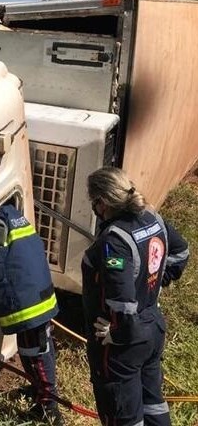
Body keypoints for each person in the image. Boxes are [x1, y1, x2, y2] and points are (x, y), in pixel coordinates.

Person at [83, 167, 189, 426]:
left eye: (93, 203)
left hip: (123, 346)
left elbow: (122, 300)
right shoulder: (152, 217)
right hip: (152, 327)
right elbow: (181, 252)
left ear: (103, 203)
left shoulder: (114, 241)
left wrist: (116, 334)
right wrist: (153, 286)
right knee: (153, 403)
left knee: (123, 416)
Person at [0, 203, 64, 425]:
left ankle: (49, 408)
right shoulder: (14, 213)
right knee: (40, 347)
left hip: (26, 302)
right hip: (38, 292)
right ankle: (39, 390)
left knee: (34, 352)